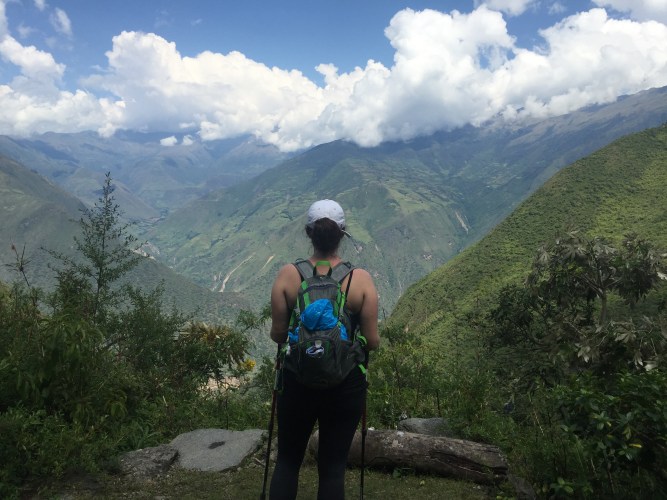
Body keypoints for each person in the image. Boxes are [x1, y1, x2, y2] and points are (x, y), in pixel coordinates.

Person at [268, 199, 380, 500]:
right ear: (342, 234)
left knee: (287, 461)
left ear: (309, 232)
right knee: (332, 469)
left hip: (297, 379)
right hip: (345, 384)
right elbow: (372, 341)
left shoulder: (288, 275)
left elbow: (278, 335)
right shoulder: (360, 280)